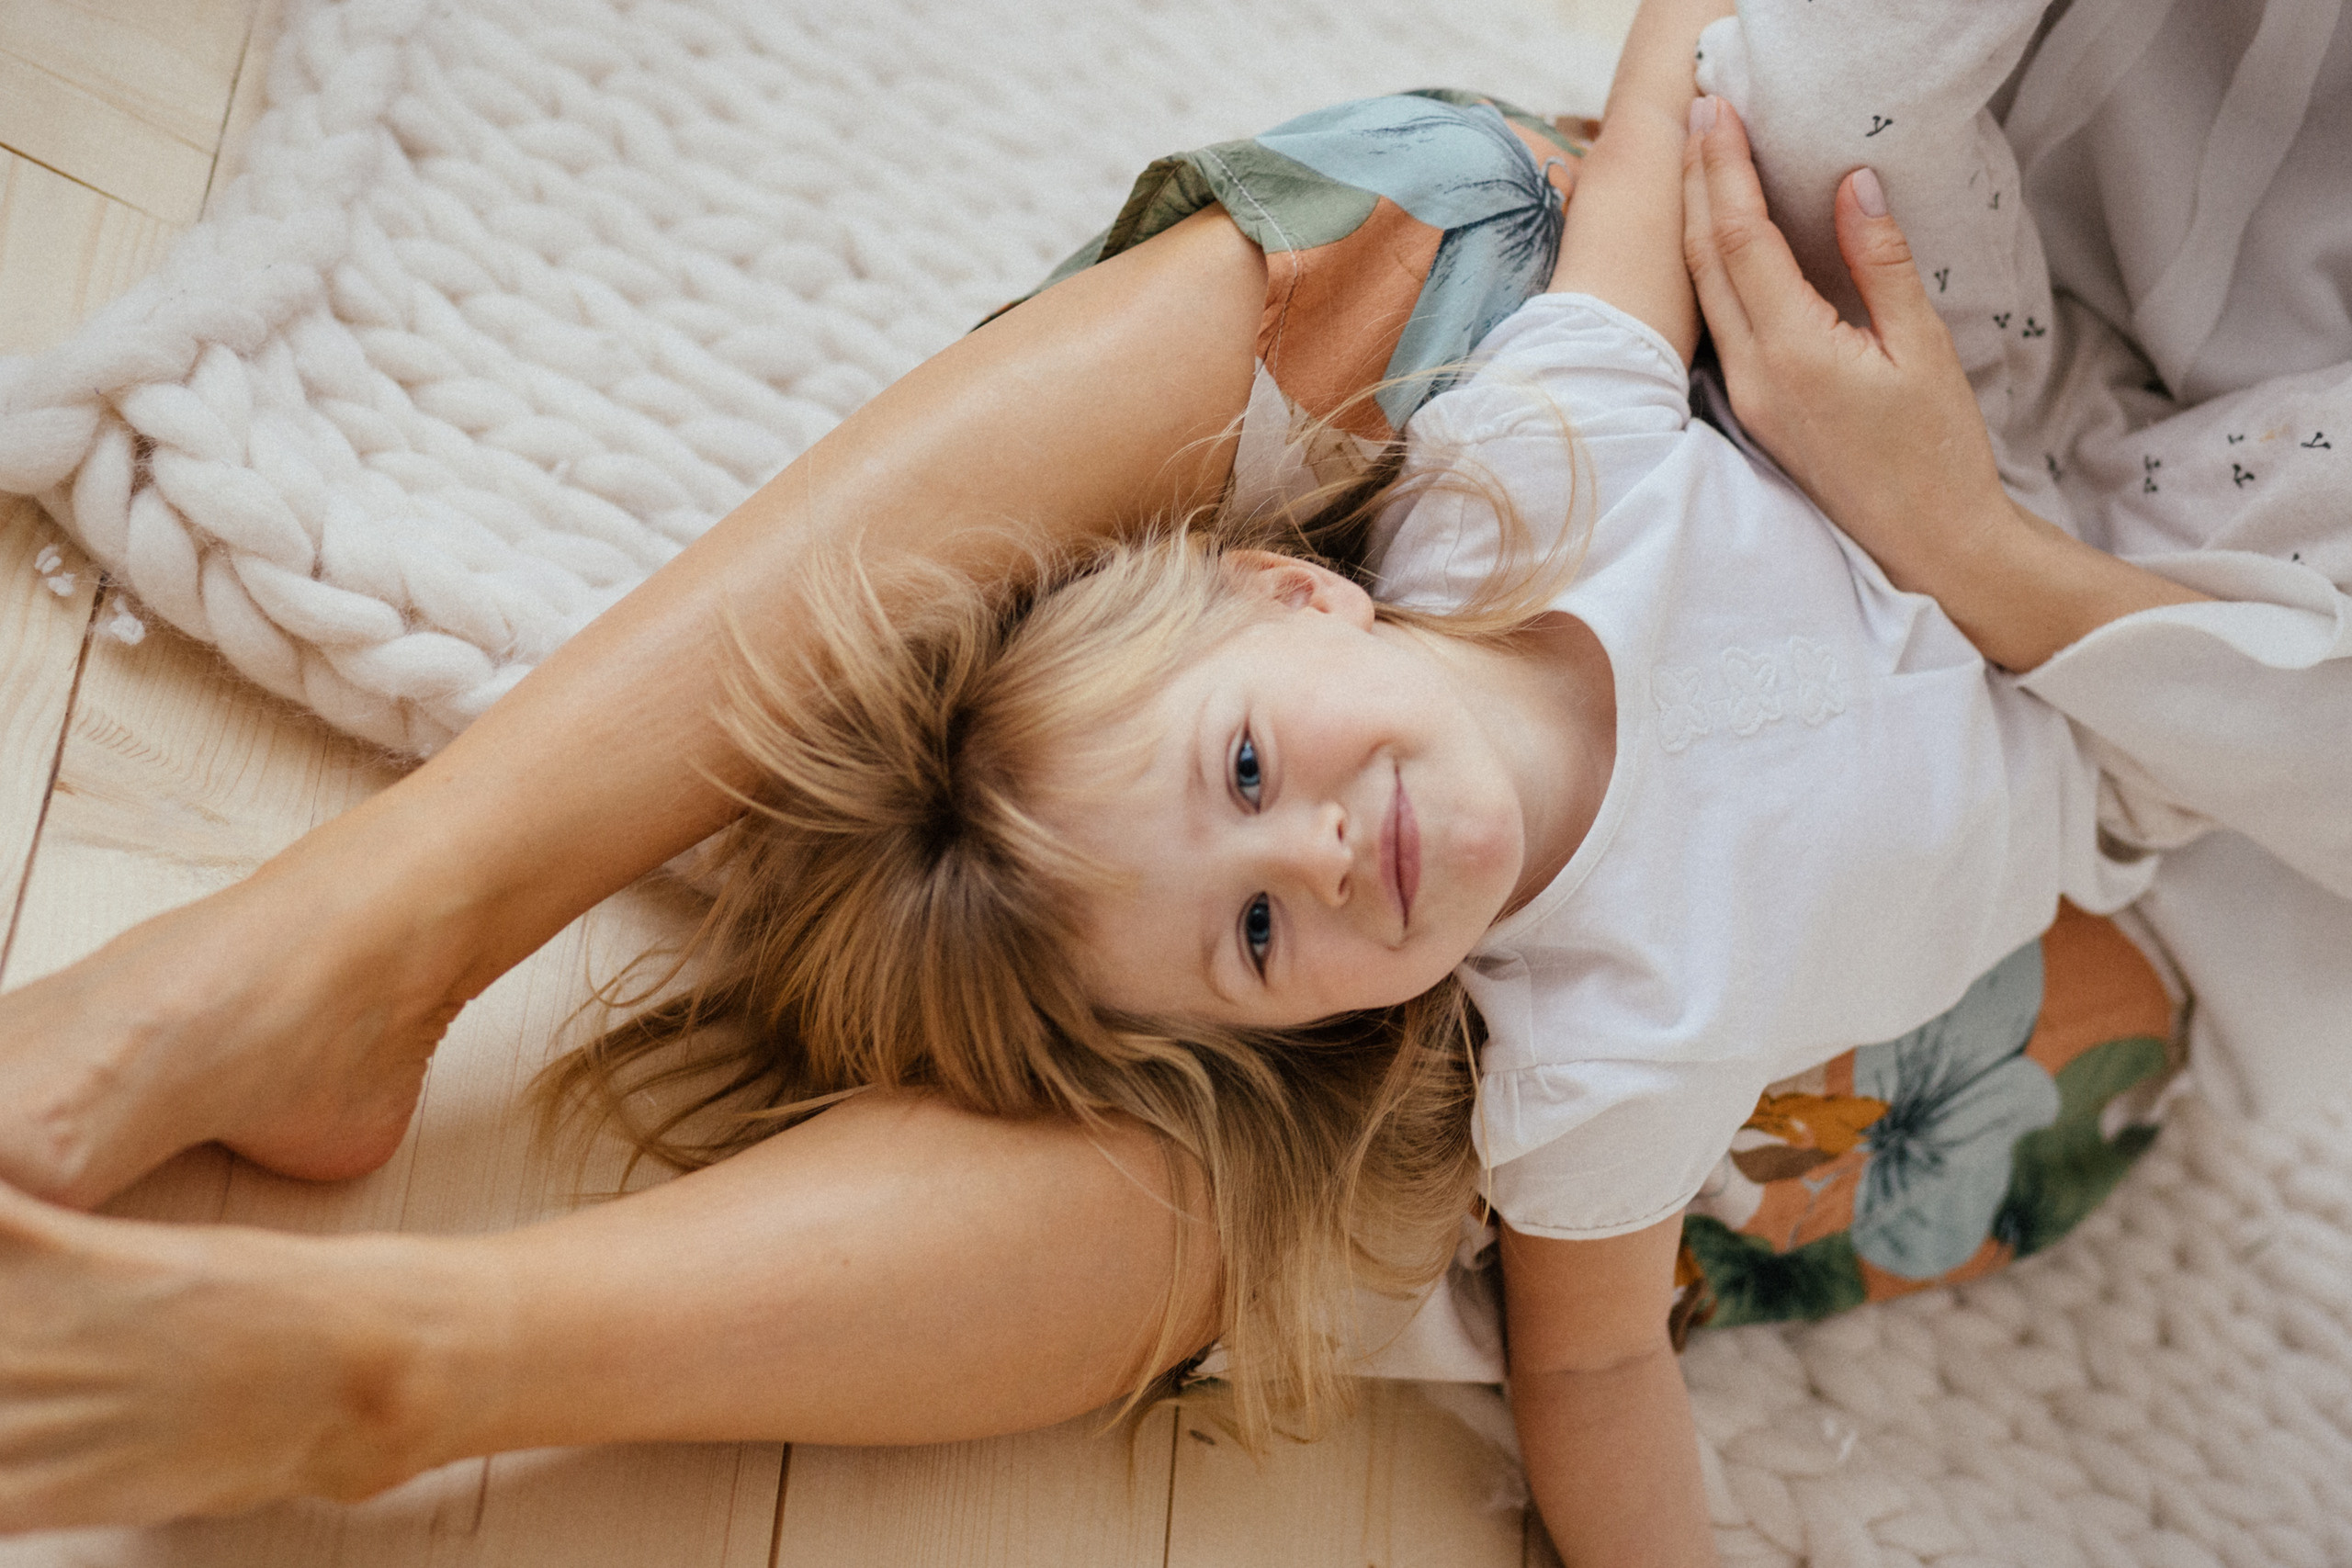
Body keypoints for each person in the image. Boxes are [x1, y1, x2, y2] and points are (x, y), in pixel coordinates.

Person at [0, 3, 2341, 1564]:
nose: (1317, 852)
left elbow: (1588, 1341)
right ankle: (350, 940)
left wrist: (1957, 535)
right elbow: (1647, 153)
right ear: (1302, 585)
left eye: (1261, 814)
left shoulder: (1584, 1032)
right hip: (1875, 281)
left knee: (1370, 1107)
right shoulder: (1527, 499)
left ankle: (408, 1368)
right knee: (1431, 224)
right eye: (1254, 872)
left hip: (2150, 774)